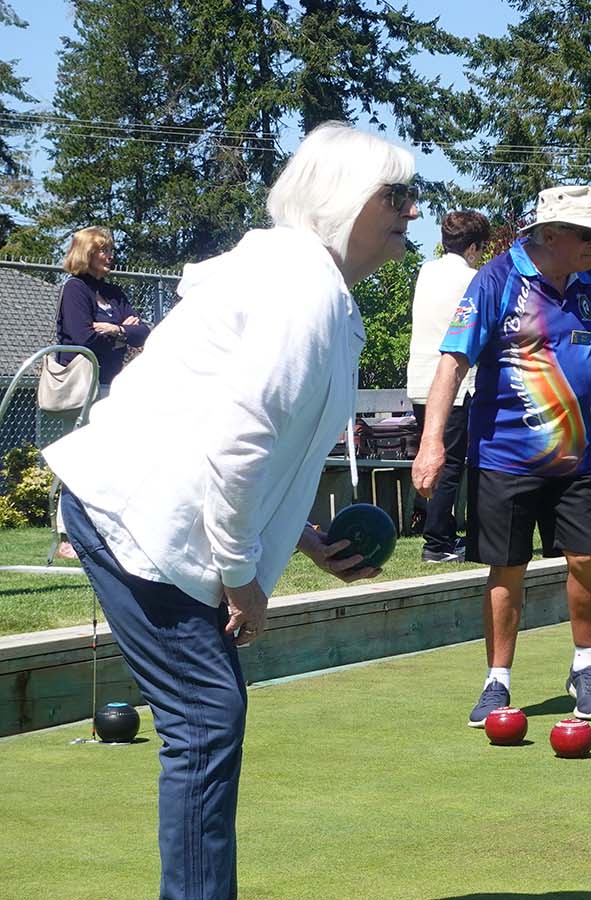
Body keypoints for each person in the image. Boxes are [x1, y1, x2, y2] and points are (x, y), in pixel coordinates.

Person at [41, 122, 405, 899]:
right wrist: (244, 578)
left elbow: (263, 441)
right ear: (343, 202)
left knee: (208, 715)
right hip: (139, 515)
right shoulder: (301, 290)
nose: (412, 211)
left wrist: (300, 537)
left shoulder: (315, 290)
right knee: (206, 716)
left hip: (161, 511)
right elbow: (239, 444)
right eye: (397, 195)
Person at [414, 183, 591, 726]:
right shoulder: (496, 280)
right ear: (549, 234)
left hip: (576, 457)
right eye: (585, 234)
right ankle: (497, 681)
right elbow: (452, 362)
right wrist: (432, 441)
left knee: (586, 559)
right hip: (503, 456)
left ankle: (587, 666)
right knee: (507, 569)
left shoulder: (588, 286)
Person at [48, 226, 151, 560]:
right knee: (78, 458)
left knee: (113, 460)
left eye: (110, 250)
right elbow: (82, 337)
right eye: (102, 250)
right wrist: (123, 331)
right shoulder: (75, 290)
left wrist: (116, 329)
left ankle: (107, 530)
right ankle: (67, 537)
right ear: (86, 254)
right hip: (83, 388)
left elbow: (143, 332)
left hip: (113, 386)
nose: (110, 256)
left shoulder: (114, 292)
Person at [406, 209, 491, 563]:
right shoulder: (474, 279)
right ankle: (438, 542)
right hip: (454, 385)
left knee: (434, 456)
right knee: (451, 461)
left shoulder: (426, 272)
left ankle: (441, 534)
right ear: (472, 248)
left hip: (420, 379)